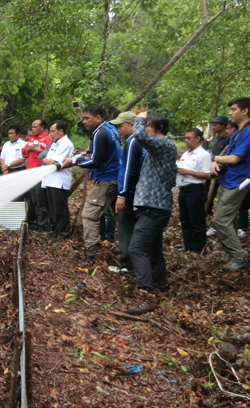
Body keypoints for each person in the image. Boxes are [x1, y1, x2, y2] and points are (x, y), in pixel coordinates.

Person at [126, 112, 177, 315]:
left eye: (147, 124)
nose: (144, 127)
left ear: (158, 128)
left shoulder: (165, 144)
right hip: (152, 206)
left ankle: (147, 294)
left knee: (136, 249)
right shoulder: (161, 147)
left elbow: (139, 136)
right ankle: (159, 284)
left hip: (154, 208)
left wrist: (138, 118)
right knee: (153, 249)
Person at [62, 104, 121, 259]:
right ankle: (127, 249)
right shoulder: (110, 129)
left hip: (107, 180)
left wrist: (75, 161)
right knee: (120, 215)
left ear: (98, 118)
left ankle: (93, 252)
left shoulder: (101, 133)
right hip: (115, 178)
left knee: (89, 214)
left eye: (87, 118)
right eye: (83, 118)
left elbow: (96, 161)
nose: (84, 122)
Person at [211, 97, 250, 271]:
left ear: (244, 111)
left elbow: (234, 158)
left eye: (233, 110)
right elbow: (228, 156)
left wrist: (213, 158)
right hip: (228, 179)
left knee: (220, 221)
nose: (230, 113)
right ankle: (232, 252)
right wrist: (216, 162)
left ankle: (239, 256)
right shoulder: (240, 131)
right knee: (229, 219)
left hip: (238, 182)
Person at [109, 111, 145, 275]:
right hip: (138, 193)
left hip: (130, 194)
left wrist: (122, 194)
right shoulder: (141, 141)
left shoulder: (132, 142)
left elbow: (130, 170)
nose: (118, 130)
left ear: (132, 125)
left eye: (121, 126)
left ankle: (127, 264)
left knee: (125, 227)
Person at [176, 128, 212, 253]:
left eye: (188, 138)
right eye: (185, 138)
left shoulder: (204, 155)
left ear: (197, 138)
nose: (186, 141)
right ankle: (188, 244)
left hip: (195, 190)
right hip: (183, 190)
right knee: (185, 219)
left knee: (196, 220)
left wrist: (188, 172)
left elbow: (207, 175)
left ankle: (198, 247)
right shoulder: (186, 154)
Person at [40, 120, 75, 239]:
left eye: (53, 131)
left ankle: (63, 232)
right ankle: (54, 230)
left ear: (61, 131)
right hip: (49, 180)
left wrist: (49, 161)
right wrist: (49, 161)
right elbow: (47, 160)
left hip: (59, 181)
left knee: (60, 208)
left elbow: (58, 164)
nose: (50, 134)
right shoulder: (54, 143)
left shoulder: (66, 144)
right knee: (51, 208)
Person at [23, 118, 53, 231]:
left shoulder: (47, 140)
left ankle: (43, 224)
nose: (33, 129)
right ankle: (36, 221)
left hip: (40, 174)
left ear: (43, 128)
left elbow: (51, 155)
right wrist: (29, 148)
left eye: (35, 127)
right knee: (34, 199)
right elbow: (24, 152)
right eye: (32, 127)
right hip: (29, 173)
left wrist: (40, 151)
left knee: (41, 200)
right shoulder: (31, 139)